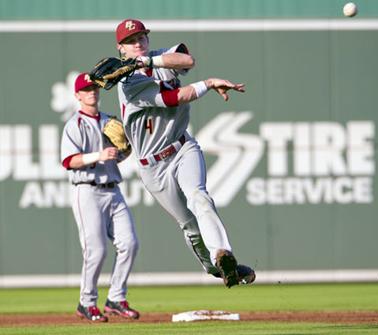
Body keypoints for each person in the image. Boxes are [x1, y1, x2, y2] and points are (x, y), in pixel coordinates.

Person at [114, 19, 256, 288]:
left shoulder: (158, 58)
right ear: (121, 49)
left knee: (199, 196)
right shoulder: (127, 84)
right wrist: (210, 83)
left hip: (182, 148)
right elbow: (174, 98)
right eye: (131, 42)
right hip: (152, 166)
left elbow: (186, 60)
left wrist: (149, 62)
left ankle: (222, 255)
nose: (138, 44)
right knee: (189, 225)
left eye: (142, 37)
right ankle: (215, 268)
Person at [60, 73, 140, 322]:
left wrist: (122, 152)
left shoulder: (109, 121)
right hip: (87, 190)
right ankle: (86, 302)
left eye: (94, 88)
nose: (92, 92)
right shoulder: (74, 124)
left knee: (129, 243)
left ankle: (116, 297)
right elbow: (69, 161)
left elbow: (118, 155)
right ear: (77, 95)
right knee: (96, 251)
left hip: (113, 189)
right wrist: (99, 155)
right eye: (86, 89)